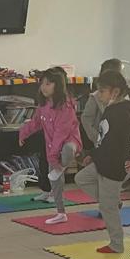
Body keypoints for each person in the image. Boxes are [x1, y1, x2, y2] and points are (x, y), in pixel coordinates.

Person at [74, 70, 130, 254]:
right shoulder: (110, 110)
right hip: (102, 161)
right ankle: (112, 201)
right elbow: (104, 139)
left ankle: (116, 244)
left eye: (102, 91)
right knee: (81, 178)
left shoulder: (123, 113)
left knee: (107, 208)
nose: (98, 95)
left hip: (114, 166)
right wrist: (93, 155)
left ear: (115, 92)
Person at [18, 68, 82, 224]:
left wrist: (53, 157)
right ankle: (61, 213)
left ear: (57, 86)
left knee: (67, 150)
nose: (44, 87)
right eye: (42, 83)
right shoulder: (43, 105)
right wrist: (23, 133)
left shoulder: (66, 107)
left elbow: (61, 133)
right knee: (55, 181)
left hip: (69, 142)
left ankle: (61, 167)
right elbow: (36, 123)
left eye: (48, 84)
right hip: (51, 146)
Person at [81, 58, 124, 146]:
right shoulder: (95, 97)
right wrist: (97, 138)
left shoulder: (122, 99)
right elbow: (86, 119)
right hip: (100, 142)